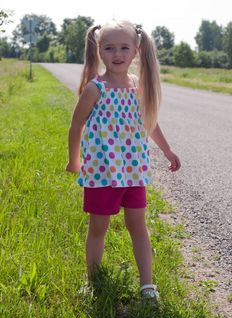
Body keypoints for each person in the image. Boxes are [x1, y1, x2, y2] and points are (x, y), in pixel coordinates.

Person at [66, 20, 181, 299]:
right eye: (109, 48)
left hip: (133, 173)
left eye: (124, 48)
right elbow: (76, 126)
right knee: (98, 228)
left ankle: (147, 285)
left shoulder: (138, 87)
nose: (117, 54)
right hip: (102, 173)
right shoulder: (96, 89)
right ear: (99, 51)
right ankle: (93, 282)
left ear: (136, 51)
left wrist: (167, 150)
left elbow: (150, 123)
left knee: (138, 227)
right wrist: (74, 160)